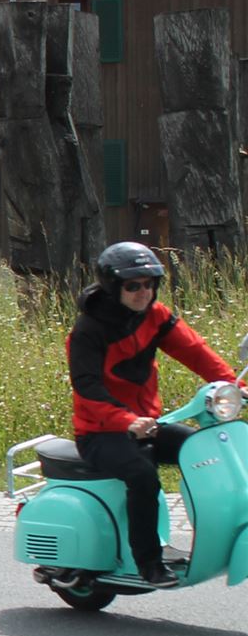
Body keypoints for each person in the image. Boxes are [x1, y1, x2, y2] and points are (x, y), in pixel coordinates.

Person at [69, 241, 241, 589]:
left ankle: (216, 536)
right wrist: (127, 420)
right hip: (101, 432)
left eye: (149, 284)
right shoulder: (88, 331)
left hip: (149, 425)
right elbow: (87, 388)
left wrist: (234, 385)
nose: (143, 292)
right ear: (114, 287)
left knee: (204, 451)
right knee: (142, 476)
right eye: (133, 286)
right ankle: (148, 562)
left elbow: (195, 351)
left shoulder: (155, 315)